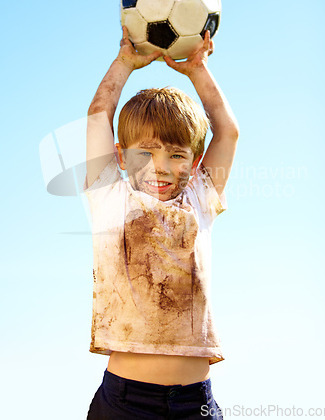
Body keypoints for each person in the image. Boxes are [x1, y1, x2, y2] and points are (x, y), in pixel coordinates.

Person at [84, 26, 239, 419]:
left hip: (196, 404)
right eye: (146, 152)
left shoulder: (199, 200)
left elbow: (227, 131)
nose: (161, 167)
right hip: (126, 402)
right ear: (120, 156)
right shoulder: (110, 198)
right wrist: (124, 63)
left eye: (176, 154)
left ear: (194, 159)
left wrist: (197, 70)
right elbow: (99, 115)